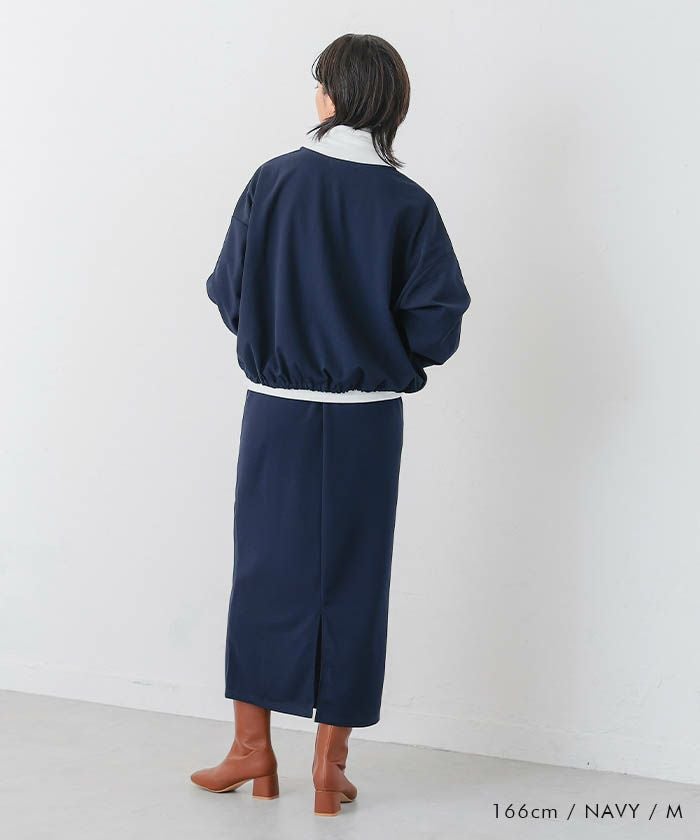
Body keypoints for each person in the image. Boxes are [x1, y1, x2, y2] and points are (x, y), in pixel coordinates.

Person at [191, 33, 471, 817]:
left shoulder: (273, 181)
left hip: (276, 412)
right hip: (367, 426)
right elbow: (437, 324)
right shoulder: (409, 204)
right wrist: (375, 350)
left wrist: (280, 337)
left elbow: (229, 291)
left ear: (330, 96)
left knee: (262, 571)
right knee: (356, 580)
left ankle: (252, 749)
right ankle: (329, 766)